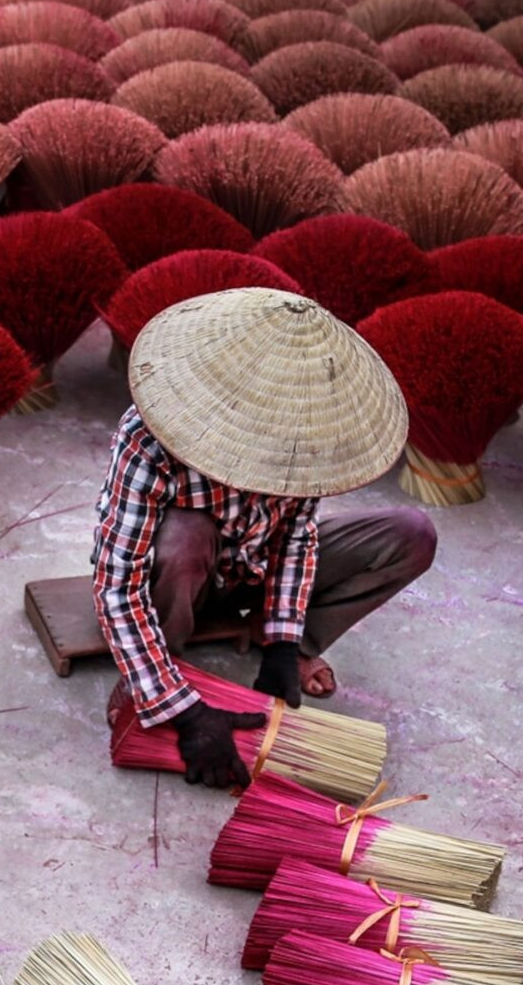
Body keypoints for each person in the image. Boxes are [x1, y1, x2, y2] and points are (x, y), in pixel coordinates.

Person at [92, 288, 436, 789]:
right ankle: (157, 673)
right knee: (186, 534)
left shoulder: (310, 433)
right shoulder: (149, 439)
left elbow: (297, 539)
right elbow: (117, 587)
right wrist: (183, 711)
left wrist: (283, 641)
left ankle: (285, 640)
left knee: (411, 535)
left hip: (254, 571)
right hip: (181, 580)